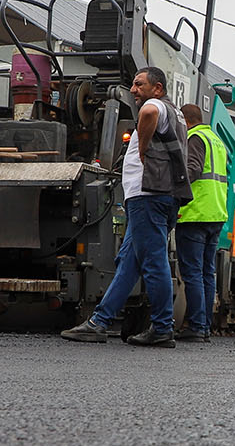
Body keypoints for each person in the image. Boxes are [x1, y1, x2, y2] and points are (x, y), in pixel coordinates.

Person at [61, 66, 190, 347]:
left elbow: (147, 114)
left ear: (158, 88)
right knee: (128, 264)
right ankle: (99, 322)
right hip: (158, 195)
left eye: (139, 84)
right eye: (133, 84)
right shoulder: (176, 112)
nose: (133, 90)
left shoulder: (156, 105)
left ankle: (162, 327)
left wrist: (142, 147)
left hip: (148, 195)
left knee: (154, 261)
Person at [175, 102, 229, 342]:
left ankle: (196, 327)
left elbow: (193, 170)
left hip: (195, 213)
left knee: (193, 273)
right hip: (215, 213)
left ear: (185, 121)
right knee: (208, 273)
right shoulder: (216, 140)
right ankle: (204, 326)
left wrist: (173, 193)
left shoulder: (194, 137)